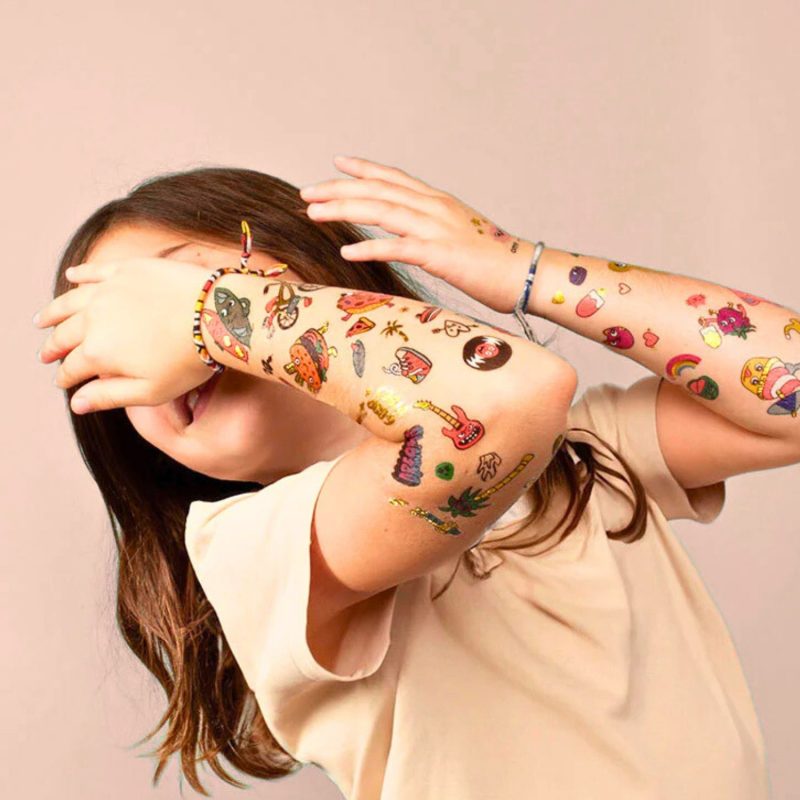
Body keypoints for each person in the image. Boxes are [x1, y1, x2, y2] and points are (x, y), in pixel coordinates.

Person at [33, 155, 797, 799]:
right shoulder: (250, 551)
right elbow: (500, 403)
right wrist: (219, 309)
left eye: (183, 287)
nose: (175, 330)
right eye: (112, 346)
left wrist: (527, 269)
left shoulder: (586, 452)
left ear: (311, 269)